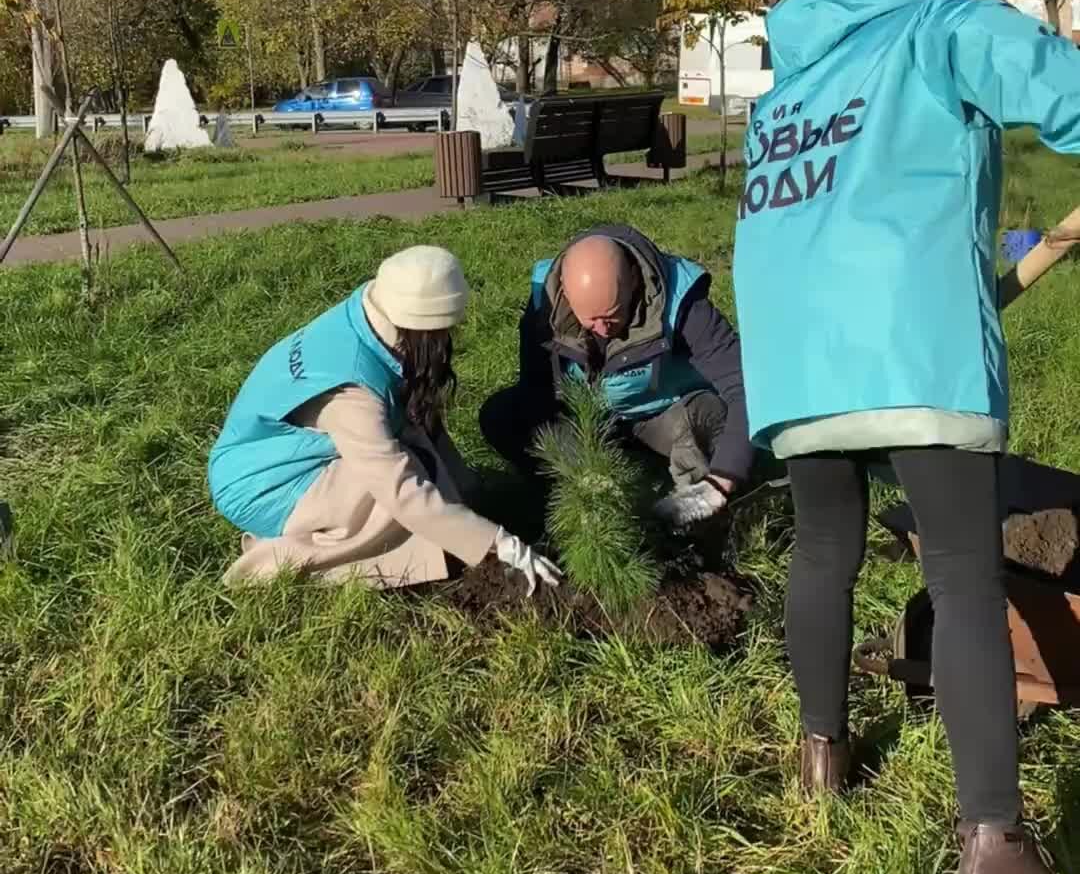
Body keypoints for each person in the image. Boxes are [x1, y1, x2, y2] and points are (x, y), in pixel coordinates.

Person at [733, 0, 1080, 874]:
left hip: (796, 351)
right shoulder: (938, 29)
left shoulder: (785, 89)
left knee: (823, 551)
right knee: (965, 579)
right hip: (911, 340)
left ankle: (821, 760)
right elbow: (1063, 89)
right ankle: (996, 856)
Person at [208, 244, 560, 595]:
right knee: (399, 500)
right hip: (262, 484)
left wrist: (470, 495)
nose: (449, 340)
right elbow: (402, 492)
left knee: (420, 458)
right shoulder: (351, 392)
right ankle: (278, 561)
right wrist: (499, 545)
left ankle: (440, 519)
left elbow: (422, 424)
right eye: (445, 332)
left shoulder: (369, 315)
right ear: (423, 331)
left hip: (274, 452)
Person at [480, 224, 753, 524]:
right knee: (501, 416)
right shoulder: (545, 302)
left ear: (634, 279)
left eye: (611, 316)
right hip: (590, 416)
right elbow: (537, 390)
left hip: (661, 415)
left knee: (711, 415)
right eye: (590, 320)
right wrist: (577, 465)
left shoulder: (680, 302)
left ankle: (691, 509)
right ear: (566, 294)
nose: (601, 330)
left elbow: (745, 385)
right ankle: (574, 505)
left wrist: (724, 478)